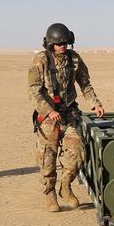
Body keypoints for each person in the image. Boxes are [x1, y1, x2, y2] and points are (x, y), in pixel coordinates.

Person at [27, 23, 105, 211]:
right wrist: (48, 110)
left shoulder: (75, 59)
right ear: (50, 44)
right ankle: (50, 194)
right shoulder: (41, 60)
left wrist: (95, 102)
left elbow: (85, 83)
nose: (62, 46)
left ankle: (66, 187)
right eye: (58, 43)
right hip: (48, 118)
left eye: (65, 43)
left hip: (70, 114)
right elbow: (33, 91)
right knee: (48, 158)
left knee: (76, 154)